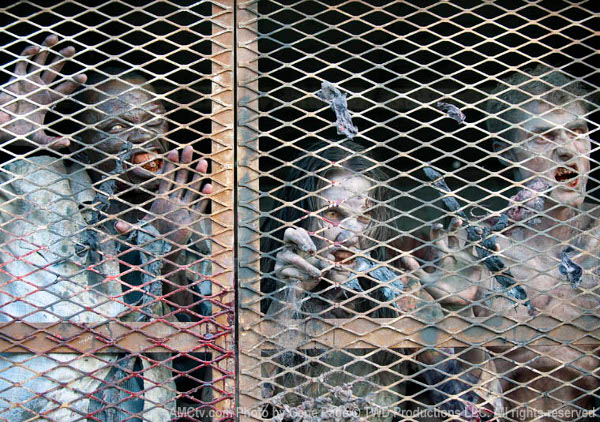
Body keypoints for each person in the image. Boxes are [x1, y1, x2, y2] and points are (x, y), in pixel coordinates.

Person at [0, 35, 212, 420]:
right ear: (80, 140)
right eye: (117, 125)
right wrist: (9, 142)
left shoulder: (186, 218)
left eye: (153, 121)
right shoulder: (35, 187)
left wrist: (173, 254)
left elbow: (204, 349)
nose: (142, 136)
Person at [261, 140, 503, 421]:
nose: (351, 236)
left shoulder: (400, 293)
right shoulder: (250, 288)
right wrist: (287, 298)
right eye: (333, 214)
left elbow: (468, 405)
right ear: (298, 215)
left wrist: (458, 314)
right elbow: (236, 399)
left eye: (365, 216)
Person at [411, 65, 599, 421]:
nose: (566, 150)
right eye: (543, 136)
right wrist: (456, 315)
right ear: (505, 151)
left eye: (578, 132)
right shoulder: (471, 251)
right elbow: (445, 397)